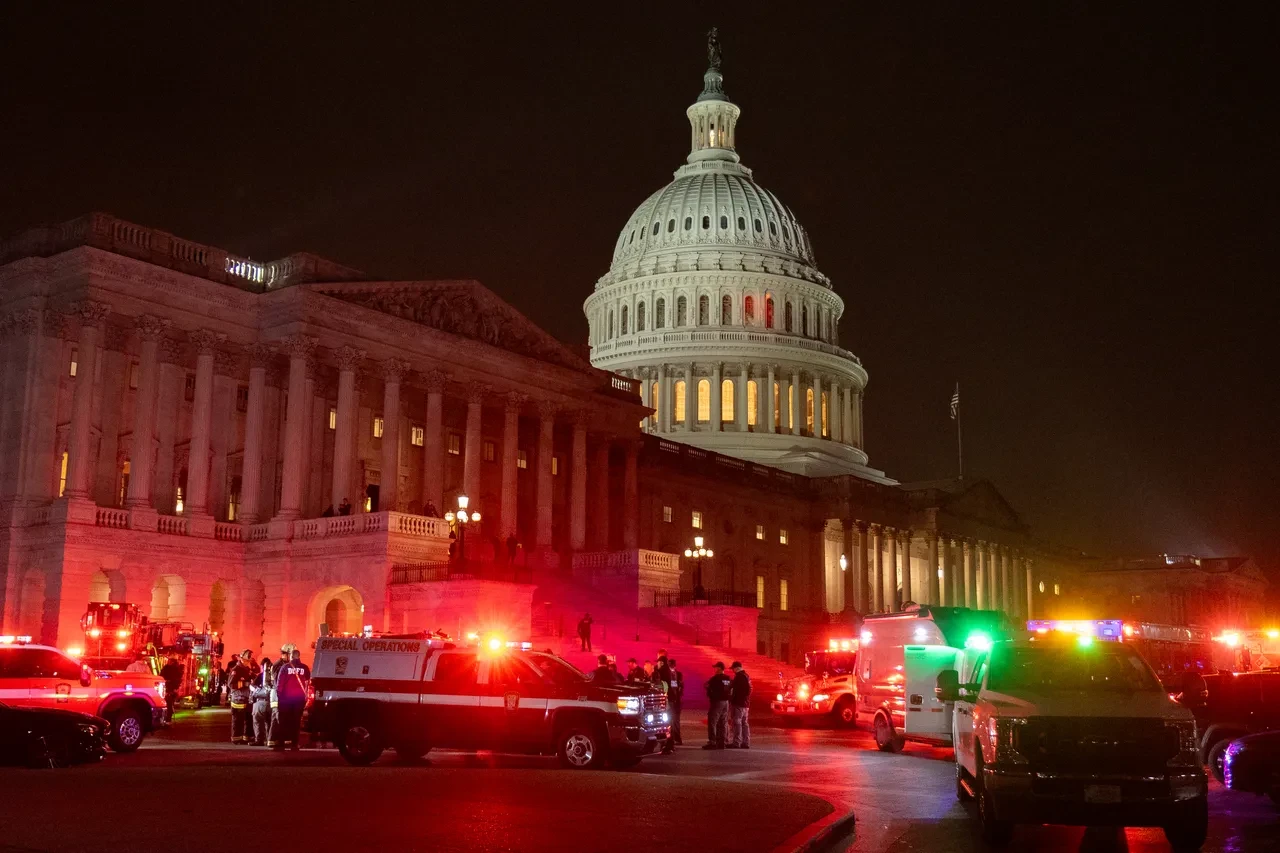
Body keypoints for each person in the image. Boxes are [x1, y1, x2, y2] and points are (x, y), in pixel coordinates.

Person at [272, 648, 310, 750]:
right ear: (299, 656)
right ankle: (294, 744)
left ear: (291, 657)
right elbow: (308, 683)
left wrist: (279, 697)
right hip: (299, 700)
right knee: (296, 722)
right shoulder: (305, 668)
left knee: (283, 721)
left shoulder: (285, 667)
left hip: (285, 700)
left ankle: (281, 744)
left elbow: (279, 684)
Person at [226, 650, 255, 744]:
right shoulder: (236, 669)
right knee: (238, 720)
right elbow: (231, 684)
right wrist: (244, 683)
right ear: (242, 659)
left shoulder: (247, 669)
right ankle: (236, 739)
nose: (248, 662)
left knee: (248, 719)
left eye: (249, 661)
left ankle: (247, 737)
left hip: (246, 698)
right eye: (247, 660)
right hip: (238, 699)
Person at [703, 661, 732, 750]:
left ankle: (712, 742)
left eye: (715, 667)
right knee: (723, 722)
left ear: (719, 668)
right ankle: (722, 742)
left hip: (717, 702)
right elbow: (731, 689)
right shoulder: (728, 678)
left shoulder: (715, 678)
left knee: (712, 721)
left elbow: (706, 685)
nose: (714, 669)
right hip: (726, 702)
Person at [250, 656, 275, 746]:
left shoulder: (260, 676)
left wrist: (257, 691)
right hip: (272, 703)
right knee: (270, 722)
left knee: (258, 721)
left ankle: (259, 740)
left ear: (261, 667)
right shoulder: (275, 675)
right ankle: (270, 740)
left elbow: (252, 687)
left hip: (260, 702)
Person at [729, 661, 752, 749]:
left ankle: (736, 742)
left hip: (739, 703)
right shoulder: (746, 676)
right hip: (745, 704)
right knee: (744, 723)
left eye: (733, 669)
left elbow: (735, 690)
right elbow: (749, 690)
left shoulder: (739, 677)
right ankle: (746, 742)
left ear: (736, 668)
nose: (733, 671)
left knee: (737, 722)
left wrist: (733, 699)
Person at [159, 656, 184, 723]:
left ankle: (167, 719)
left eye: (169, 661)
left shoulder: (169, 668)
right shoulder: (175, 669)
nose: (168, 662)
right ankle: (167, 719)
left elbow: (161, 676)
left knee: (168, 704)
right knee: (169, 704)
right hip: (169, 688)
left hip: (168, 688)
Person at [667, 657, 684, 747]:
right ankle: (675, 738)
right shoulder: (676, 674)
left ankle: (675, 738)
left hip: (675, 700)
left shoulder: (676, 675)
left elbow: (679, 687)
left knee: (673, 720)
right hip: (675, 700)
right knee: (674, 720)